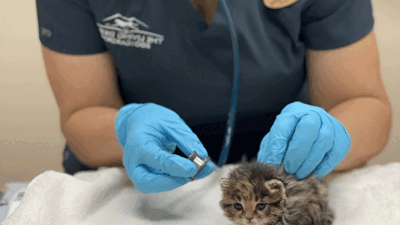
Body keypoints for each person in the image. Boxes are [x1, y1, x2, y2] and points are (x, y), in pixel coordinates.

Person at [36, 0, 392, 194]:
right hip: (140, 182)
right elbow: (82, 114)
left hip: (282, 175)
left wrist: (332, 136)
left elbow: (364, 104)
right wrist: (125, 130)